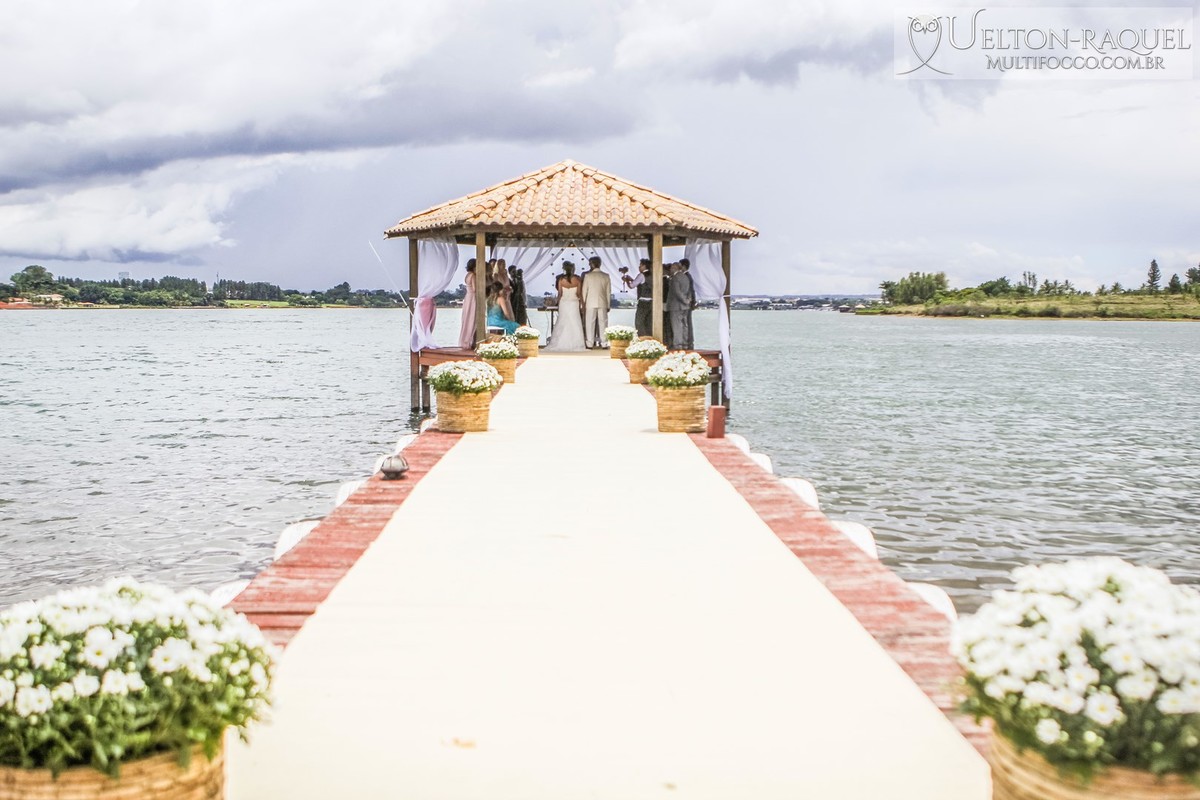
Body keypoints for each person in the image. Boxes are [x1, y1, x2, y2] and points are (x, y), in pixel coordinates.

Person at [544, 261, 586, 352]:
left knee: (562, 322)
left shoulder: (561, 280)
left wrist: (557, 304)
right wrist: (583, 304)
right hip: (574, 303)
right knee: (575, 322)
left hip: (564, 303)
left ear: (564, 269)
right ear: (573, 269)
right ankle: (576, 343)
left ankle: (560, 342)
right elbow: (579, 294)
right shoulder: (578, 280)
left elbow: (560, 294)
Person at [581, 256, 612, 349]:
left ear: (592, 264)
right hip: (603, 302)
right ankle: (604, 343)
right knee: (603, 323)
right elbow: (608, 292)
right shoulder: (606, 276)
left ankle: (589, 343)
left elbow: (584, 291)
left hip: (590, 302)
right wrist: (608, 304)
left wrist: (582, 304)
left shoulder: (588, 276)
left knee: (590, 323)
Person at [667, 260, 694, 350]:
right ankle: (685, 343)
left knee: (676, 325)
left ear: (675, 268)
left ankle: (677, 345)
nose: (670, 269)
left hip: (676, 305)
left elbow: (677, 292)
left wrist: (684, 300)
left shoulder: (675, 278)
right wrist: (688, 300)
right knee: (684, 325)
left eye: (671, 267)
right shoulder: (686, 277)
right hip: (685, 306)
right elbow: (689, 291)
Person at [458, 259, 477, 349]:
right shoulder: (473, 275)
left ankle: (465, 340)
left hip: (467, 297)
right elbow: (474, 289)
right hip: (473, 297)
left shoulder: (467, 275)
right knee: (472, 318)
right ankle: (469, 341)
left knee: (467, 318)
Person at [631, 258, 653, 337]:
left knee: (639, 322)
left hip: (643, 301)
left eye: (640, 265)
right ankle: (649, 339)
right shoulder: (653, 274)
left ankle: (642, 339)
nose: (639, 267)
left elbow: (632, 285)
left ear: (644, 266)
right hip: (652, 301)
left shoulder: (641, 275)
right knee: (648, 322)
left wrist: (627, 280)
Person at [678, 257, 696, 349]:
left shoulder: (686, 277)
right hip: (687, 303)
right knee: (686, 323)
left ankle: (688, 343)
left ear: (683, 266)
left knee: (686, 323)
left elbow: (691, 291)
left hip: (686, 303)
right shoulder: (687, 276)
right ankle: (688, 343)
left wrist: (691, 301)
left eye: (680, 265)